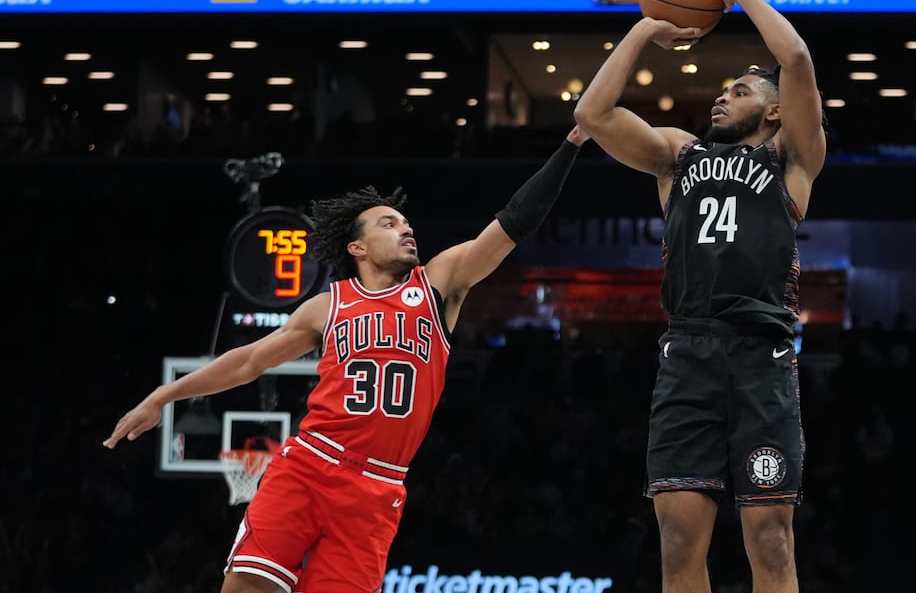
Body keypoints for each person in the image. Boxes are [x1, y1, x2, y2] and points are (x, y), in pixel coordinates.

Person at [103, 125, 589, 593]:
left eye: (406, 222)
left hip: (378, 485)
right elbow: (248, 361)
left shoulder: (438, 283)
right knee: (247, 586)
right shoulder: (327, 305)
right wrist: (165, 395)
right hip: (310, 465)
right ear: (357, 247)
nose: (406, 228)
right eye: (388, 223)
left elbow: (515, 220)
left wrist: (571, 143)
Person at [574, 0, 826, 593]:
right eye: (722, 90)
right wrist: (643, 27)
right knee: (679, 541)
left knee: (771, 538)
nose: (722, 96)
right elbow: (592, 116)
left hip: (761, 357)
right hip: (687, 354)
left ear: (774, 112)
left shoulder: (790, 159)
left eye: (740, 91)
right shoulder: (676, 157)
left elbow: (796, 59)